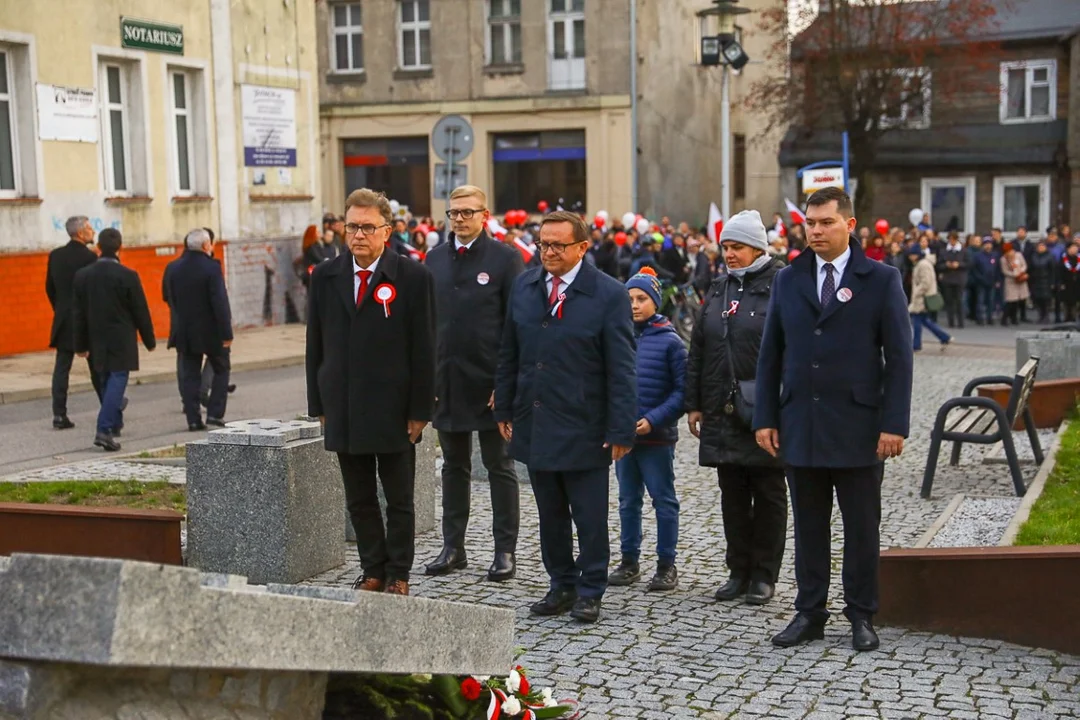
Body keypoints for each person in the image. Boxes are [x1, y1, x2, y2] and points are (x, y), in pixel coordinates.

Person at [754, 187, 913, 652]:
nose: (816, 231)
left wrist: (894, 423)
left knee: (862, 527)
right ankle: (810, 612)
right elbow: (771, 355)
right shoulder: (789, 279)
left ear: (849, 224)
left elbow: (899, 358)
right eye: (811, 223)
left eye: (826, 222)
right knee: (808, 525)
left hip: (859, 427)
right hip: (801, 422)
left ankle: (862, 613)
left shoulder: (881, 279)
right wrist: (766, 416)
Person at [494, 210, 637, 623]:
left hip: (585, 423)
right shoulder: (525, 286)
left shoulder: (608, 294)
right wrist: (504, 405)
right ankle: (561, 582)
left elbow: (622, 366)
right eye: (544, 244)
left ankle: (590, 588)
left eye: (558, 245)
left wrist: (621, 426)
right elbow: (509, 353)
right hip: (536, 418)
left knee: (589, 515)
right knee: (550, 513)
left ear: (581, 247)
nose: (549, 252)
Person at [306, 188, 436, 597]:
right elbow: (316, 344)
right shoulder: (326, 276)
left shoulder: (412, 276)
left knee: (398, 497)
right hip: (343, 403)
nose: (358, 235)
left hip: (394, 407)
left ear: (387, 230)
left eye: (367, 227)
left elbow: (425, 348)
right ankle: (372, 568)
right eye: (352, 226)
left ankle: (398, 571)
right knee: (359, 497)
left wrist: (420, 408)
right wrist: (319, 404)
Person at [423, 185, 524, 582]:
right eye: (454, 213)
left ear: (485, 215)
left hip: (490, 381)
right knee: (453, 465)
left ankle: (504, 551)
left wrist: (508, 382)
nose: (461, 219)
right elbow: (427, 324)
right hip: (446, 381)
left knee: (500, 465)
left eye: (468, 212)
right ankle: (453, 547)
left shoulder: (504, 259)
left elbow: (516, 325)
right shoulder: (433, 260)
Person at [686, 210, 787, 606]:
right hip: (720, 407)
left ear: (758, 248)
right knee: (731, 494)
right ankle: (737, 570)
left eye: (738, 247)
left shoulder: (781, 284)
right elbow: (699, 348)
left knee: (767, 493)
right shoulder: (718, 287)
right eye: (726, 247)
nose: (729, 254)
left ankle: (764, 574)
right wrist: (693, 403)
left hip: (763, 409)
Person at [608, 269, 686, 592]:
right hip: (624, 438)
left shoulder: (671, 342)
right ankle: (629, 560)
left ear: (655, 300)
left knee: (663, 500)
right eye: (630, 299)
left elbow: (682, 393)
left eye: (641, 299)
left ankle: (667, 564)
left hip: (656, 437)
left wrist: (654, 419)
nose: (635, 305)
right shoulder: (618, 336)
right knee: (628, 500)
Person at [71, 229, 156, 452]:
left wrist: (79, 344)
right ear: (121, 248)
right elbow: (140, 311)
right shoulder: (128, 276)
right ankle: (104, 428)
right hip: (121, 337)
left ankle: (115, 423)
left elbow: (78, 313)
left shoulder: (83, 275)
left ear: (98, 248)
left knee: (104, 378)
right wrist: (149, 340)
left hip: (95, 337)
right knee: (117, 378)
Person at [164, 228, 235, 430]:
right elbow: (219, 302)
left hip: (185, 330)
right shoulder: (212, 268)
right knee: (221, 369)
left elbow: (167, 296)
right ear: (206, 245)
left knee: (190, 375)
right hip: (211, 330)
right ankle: (214, 412)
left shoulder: (173, 267)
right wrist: (226, 333)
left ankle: (193, 419)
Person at [46, 215, 101, 429]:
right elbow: (94, 293)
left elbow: (49, 288)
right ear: (80, 233)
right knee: (97, 367)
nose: (93, 232)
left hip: (63, 319)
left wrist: (60, 309)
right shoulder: (90, 259)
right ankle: (109, 407)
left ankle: (59, 414)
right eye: (89, 228)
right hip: (86, 319)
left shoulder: (55, 256)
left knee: (62, 367)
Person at [907, 245, 952, 352]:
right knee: (924, 321)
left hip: (922, 298)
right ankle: (944, 337)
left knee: (918, 321)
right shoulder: (921, 264)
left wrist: (917, 293)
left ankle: (916, 344)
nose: (910, 257)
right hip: (922, 297)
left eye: (911, 255)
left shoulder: (923, 265)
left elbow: (925, 283)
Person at [936, 231, 968, 329]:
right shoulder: (943, 251)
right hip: (948, 279)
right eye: (950, 239)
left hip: (959, 279)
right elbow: (938, 265)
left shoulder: (963, 250)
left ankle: (961, 322)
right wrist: (946, 265)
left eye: (953, 239)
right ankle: (951, 322)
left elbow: (968, 264)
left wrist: (959, 264)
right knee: (949, 301)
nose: (952, 241)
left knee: (959, 301)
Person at [1000, 242, 1030, 327]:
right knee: (1010, 301)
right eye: (1008, 252)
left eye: (1011, 251)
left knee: (1018, 301)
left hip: (1021, 279)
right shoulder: (1003, 259)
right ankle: (1004, 318)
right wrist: (1014, 274)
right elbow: (1004, 271)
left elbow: (1024, 265)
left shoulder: (1019, 255)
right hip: (1010, 281)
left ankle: (1014, 318)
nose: (1010, 253)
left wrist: (1021, 271)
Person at [970, 239, 999, 325]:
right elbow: (974, 269)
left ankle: (990, 318)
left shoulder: (995, 255)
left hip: (992, 282)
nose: (988, 246)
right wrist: (979, 278)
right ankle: (980, 319)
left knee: (991, 300)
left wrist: (997, 280)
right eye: (986, 244)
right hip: (981, 282)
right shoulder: (977, 256)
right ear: (983, 245)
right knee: (980, 301)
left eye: (989, 244)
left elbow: (997, 269)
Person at [1027, 240, 1056, 324]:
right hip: (1036, 281)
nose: (1041, 248)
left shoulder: (1049, 256)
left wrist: (1052, 282)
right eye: (1039, 246)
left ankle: (1046, 316)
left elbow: (1053, 270)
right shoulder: (1033, 256)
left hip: (1046, 281)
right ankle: (1040, 316)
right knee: (1037, 299)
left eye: (1043, 246)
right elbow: (1031, 268)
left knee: (1045, 300)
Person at [1060, 243, 1080, 322]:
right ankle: (1066, 317)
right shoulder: (1063, 258)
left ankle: (1074, 316)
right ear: (1068, 249)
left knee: (1075, 301)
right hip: (1066, 283)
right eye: (1073, 248)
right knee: (1066, 301)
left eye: (1076, 248)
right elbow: (1060, 271)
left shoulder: (1078, 258)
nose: (1075, 249)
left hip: (1077, 283)